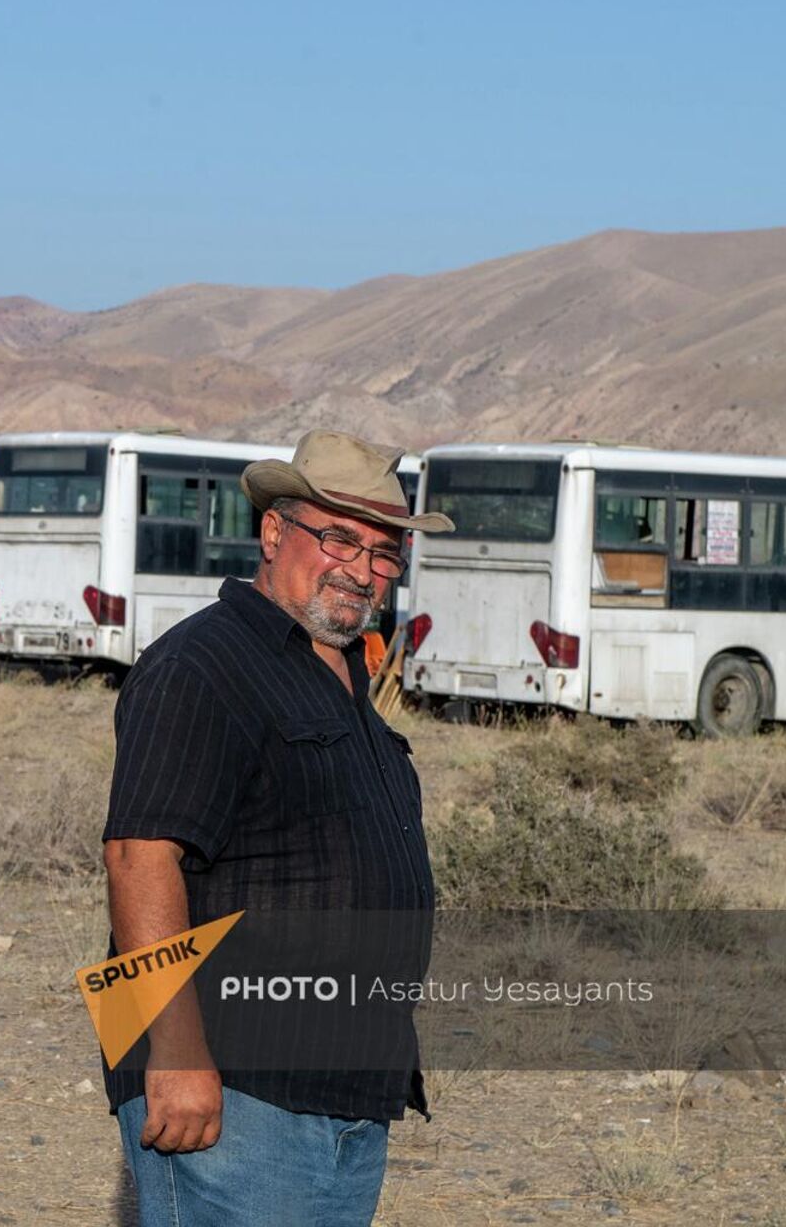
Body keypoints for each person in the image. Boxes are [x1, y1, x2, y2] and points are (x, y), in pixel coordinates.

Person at [102, 429, 455, 1227]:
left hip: (340, 1093)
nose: (362, 569)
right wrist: (178, 1054)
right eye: (339, 538)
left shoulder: (342, 673)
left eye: (384, 553)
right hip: (236, 1086)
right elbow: (137, 856)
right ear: (272, 531)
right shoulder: (205, 664)